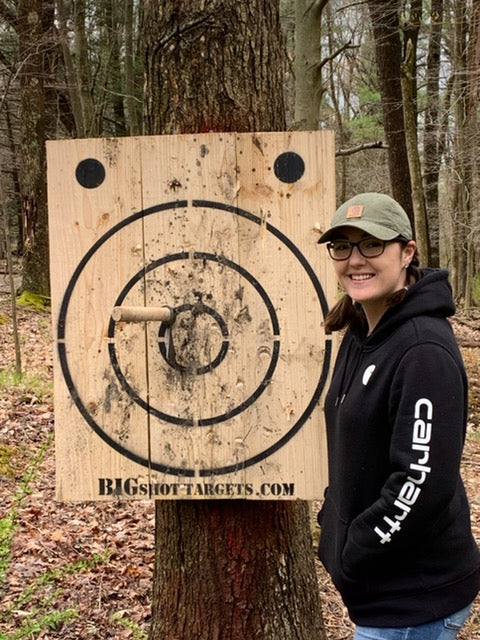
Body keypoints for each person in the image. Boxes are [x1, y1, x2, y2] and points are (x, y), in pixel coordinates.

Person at [316, 192, 480, 640]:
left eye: (372, 244)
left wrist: (355, 550)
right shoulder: (361, 330)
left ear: (407, 252)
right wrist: (333, 520)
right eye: (342, 246)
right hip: (384, 592)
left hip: (412, 599)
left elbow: (420, 481)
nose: (355, 260)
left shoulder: (422, 349)